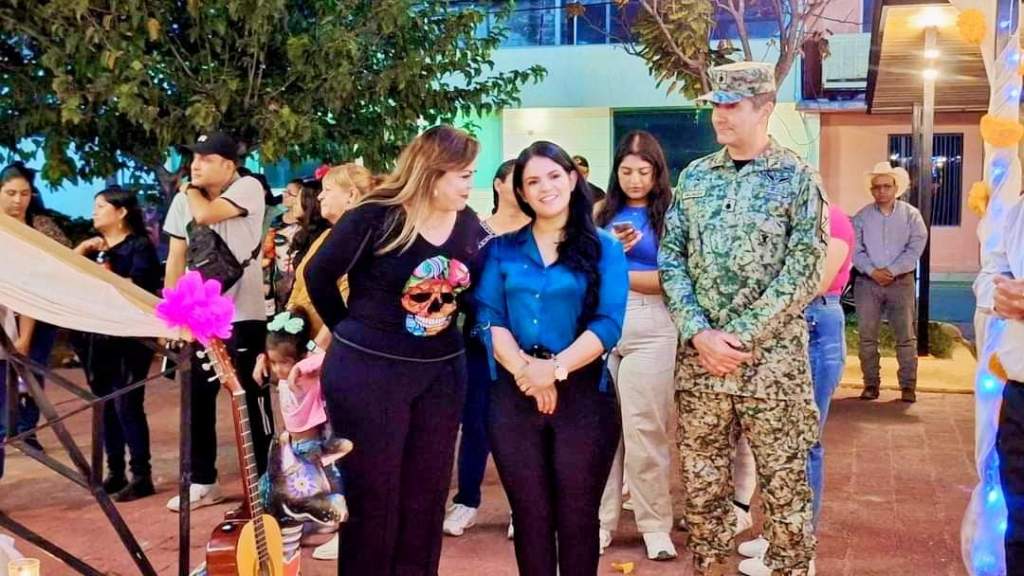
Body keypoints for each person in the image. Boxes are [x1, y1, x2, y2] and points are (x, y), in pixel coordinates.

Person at [658, 61, 827, 576]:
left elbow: (805, 269)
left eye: (732, 105)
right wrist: (698, 332)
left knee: (785, 497)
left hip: (772, 371)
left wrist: (736, 336)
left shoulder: (796, 178)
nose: (720, 116)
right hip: (702, 370)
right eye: (716, 105)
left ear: (765, 108)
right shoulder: (695, 177)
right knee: (702, 496)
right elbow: (671, 259)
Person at [305, 125, 484, 575]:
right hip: (369, 373)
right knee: (373, 497)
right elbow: (319, 276)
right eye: (464, 175)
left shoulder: (468, 223)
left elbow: (476, 291)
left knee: (427, 496)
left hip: (440, 373)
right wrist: (348, 332)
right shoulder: (375, 216)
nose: (470, 184)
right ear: (432, 173)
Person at [476, 141, 628, 576]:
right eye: (533, 181)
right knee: (530, 516)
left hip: (583, 392)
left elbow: (607, 323)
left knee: (578, 517)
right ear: (521, 193)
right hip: (514, 389)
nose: (545, 188)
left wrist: (555, 370)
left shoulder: (604, 248)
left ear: (573, 179)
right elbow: (488, 316)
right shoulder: (501, 250)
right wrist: (528, 372)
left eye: (554, 176)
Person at [735, 202, 855, 572]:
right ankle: (778, 534)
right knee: (775, 442)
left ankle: (798, 552)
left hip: (816, 326)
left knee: (803, 442)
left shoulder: (833, 220)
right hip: (786, 328)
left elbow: (814, 282)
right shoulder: (786, 219)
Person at [162, 131, 272, 512]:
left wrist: (189, 190)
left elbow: (206, 215)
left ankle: (266, 483)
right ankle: (203, 481)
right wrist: (174, 318)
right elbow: (176, 259)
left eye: (206, 159)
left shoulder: (248, 188)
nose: (196, 165)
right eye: (194, 158)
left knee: (252, 398)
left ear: (229, 165)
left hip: (244, 315)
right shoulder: (184, 199)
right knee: (197, 399)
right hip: (200, 317)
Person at [592, 131, 678, 561]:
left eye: (644, 171)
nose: (635, 180)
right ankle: (599, 522)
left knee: (645, 429)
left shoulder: (672, 213)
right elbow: (581, 268)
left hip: (653, 323)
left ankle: (655, 525)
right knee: (601, 431)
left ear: (657, 172)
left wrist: (615, 269)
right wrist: (605, 257)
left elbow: (674, 279)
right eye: (626, 171)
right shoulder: (600, 212)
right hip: (603, 323)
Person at [443, 159, 530, 538]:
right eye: (518, 180)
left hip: (528, 345)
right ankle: (466, 501)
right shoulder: (474, 232)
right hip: (479, 342)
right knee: (476, 423)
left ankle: (523, 507)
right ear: (497, 184)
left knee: (524, 428)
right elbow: (456, 283)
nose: (525, 188)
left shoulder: (538, 231)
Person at [72, 186, 161, 502]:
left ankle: (141, 474)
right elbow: (69, 277)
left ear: (121, 212)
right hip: (97, 336)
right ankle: (115, 470)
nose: (94, 212)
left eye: (101, 206)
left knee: (128, 403)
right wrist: (82, 250)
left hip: (129, 337)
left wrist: (106, 274)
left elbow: (140, 286)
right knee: (104, 404)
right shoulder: (94, 249)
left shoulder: (139, 246)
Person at [251, 307, 346, 568]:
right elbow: (273, 359)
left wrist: (301, 365)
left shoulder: (306, 373)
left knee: (329, 487)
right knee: (269, 490)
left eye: (284, 362)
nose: (279, 369)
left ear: (300, 356)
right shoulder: (280, 370)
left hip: (312, 446)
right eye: (274, 363)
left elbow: (325, 357)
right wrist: (262, 359)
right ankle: (299, 529)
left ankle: (339, 531)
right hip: (292, 446)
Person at [0, 163, 70, 453]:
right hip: (5, 314)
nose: (18, 200)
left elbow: (65, 261)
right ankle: (6, 428)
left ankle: (27, 429)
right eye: (11, 193)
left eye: (25, 194)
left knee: (33, 370)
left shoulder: (40, 226)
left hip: (38, 313)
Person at [852, 162, 927, 403]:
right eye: (877, 187)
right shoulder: (862, 217)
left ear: (896, 188)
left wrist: (892, 271)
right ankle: (870, 384)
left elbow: (915, 247)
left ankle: (908, 387)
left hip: (901, 283)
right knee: (867, 337)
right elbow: (855, 250)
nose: (882, 191)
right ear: (871, 190)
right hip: (868, 284)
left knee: (905, 337)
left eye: (887, 186)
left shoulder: (911, 216)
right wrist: (872, 271)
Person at [287, 164, 378, 353]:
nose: (320, 196)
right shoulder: (326, 236)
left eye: (327, 190)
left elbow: (345, 301)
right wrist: (285, 331)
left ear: (351, 196)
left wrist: (315, 349)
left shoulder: (362, 243)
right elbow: (300, 283)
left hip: (331, 349)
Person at [261, 178, 307, 316]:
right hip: (278, 279)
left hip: (300, 279)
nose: (284, 195)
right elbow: (268, 253)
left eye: (289, 193)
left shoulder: (308, 223)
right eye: (285, 191)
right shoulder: (276, 221)